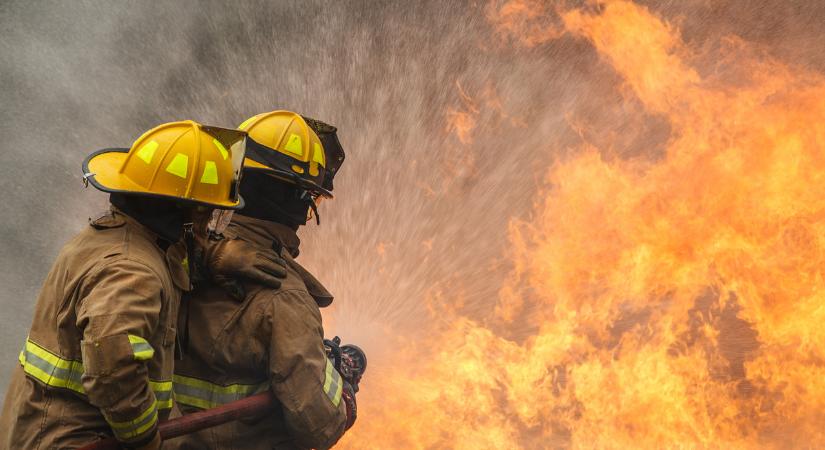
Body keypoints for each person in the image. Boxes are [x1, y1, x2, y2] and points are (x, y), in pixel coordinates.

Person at [0, 120, 287, 450]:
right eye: (206, 211)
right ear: (183, 210)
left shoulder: (119, 238)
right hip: (76, 440)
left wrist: (211, 255)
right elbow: (114, 373)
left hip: (44, 428)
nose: (208, 223)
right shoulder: (132, 271)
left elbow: (165, 263)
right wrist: (147, 441)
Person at [169, 111, 356, 450]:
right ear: (302, 204)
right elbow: (320, 427)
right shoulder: (284, 299)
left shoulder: (174, 256)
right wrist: (343, 388)